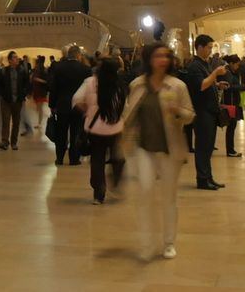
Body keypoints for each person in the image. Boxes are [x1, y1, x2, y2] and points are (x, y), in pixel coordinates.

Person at [123, 41, 195, 261]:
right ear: (148, 59)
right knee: (145, 193)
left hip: (169, 148)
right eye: (158, 56)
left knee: (168, 197)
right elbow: (128, 114)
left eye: (166, 56)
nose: (163, 60)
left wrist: (177, 111)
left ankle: (169, 242)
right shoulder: (137, 85)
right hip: (144, 148)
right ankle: (146, 243)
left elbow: (190, 114)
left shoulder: (177, 86)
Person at [72, 58, 126, 204]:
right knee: (117, 157)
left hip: (95, 128)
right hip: (115, 127)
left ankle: (99, 192)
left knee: (97, 160)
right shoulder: (119, 84)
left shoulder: (90, 82)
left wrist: (88, 111)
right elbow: (124, 106)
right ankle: (115, 181)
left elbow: (76, 99)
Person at [182, 34, 227, 190]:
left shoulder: (205, 64)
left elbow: (208, 83)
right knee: (202, 147)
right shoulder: (195, 66)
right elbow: (200, 85)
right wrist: (215, 74)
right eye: (208, 47)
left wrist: (217, 83)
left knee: (208, 147)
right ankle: (202, 179)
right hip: (202, 112)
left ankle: (208, 177)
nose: (210, 50)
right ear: (199, 47)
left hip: (210, 110)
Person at [48, 45, 92, 166]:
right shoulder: (86, 69)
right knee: (76, 132)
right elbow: (89, 90)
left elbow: (54, 88)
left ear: (68, 55)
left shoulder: (59, 68)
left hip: (62, 105)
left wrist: (52, 105)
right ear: (78, 55)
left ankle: (60, 158)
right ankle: (74, 158)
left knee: (61, 133)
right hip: (78, 106)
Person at [0, 51, 28, 150]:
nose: (17, 59)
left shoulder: (21, 71)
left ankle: (14, 142)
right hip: (6, 100)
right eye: (14, 57)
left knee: (16, 122)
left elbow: (26, 83)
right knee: (6, 121)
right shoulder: (3, 71)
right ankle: (5, 141)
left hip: (18, 100)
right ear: (9, 60)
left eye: (17, 57)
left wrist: (24, 93)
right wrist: (2, 95)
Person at [218, 55, 245, 158]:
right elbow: (228, 87)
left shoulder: (229, 72)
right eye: (237, 65)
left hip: (232, 103)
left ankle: (231, 150)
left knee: (231, 127)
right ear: (232, 64)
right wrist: (243, 87)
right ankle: (230, 150)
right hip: (230, 104)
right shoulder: (228, 73)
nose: (238, 67)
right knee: (231, 127)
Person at [28, 55, 49, 137]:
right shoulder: (36, 70)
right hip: (36, 91)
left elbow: (47, 81)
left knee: (39, 107)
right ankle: (39, 122)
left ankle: (39, 123)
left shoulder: (43, 71)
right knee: (37, 107)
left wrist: (38, 80)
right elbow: (32, 79)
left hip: (41, 91)